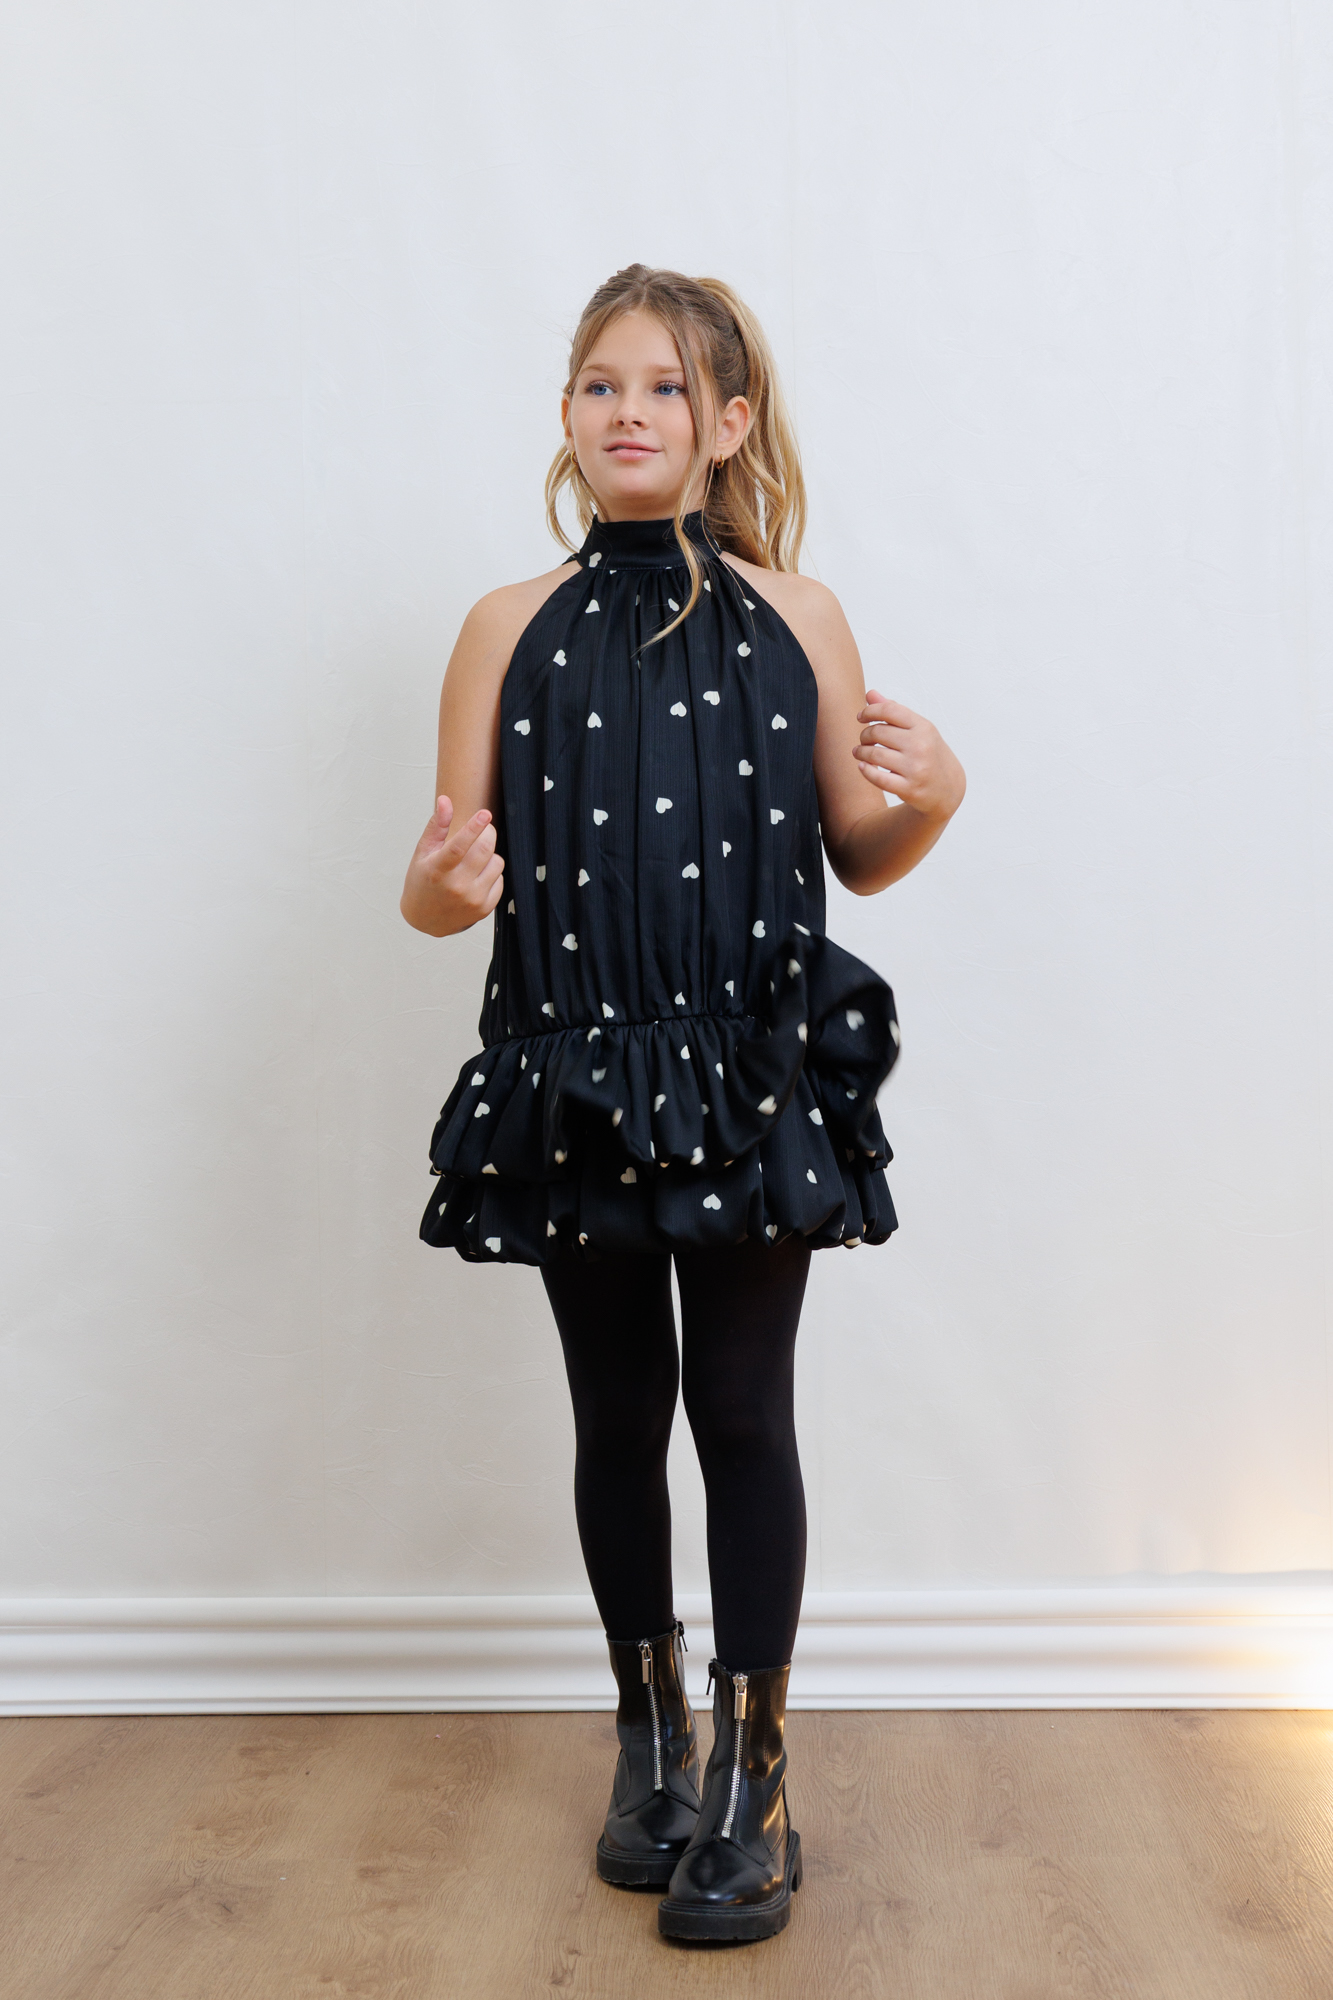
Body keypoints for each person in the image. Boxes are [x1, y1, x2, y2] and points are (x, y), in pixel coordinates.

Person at [400, 264, 965, 1943]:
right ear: (567, 416)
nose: (627, 411)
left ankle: (754, 1771)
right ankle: (648, 1735)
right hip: (574, 1063)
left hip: (741, 1067)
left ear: (726, 424)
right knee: (616, 1409)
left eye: (662, 387)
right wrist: (441, 885)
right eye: (600, 384)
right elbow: (438, 887)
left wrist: (935, 798)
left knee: (739, 1405)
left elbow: (856, 851)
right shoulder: (503, 626)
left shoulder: (800, 616)